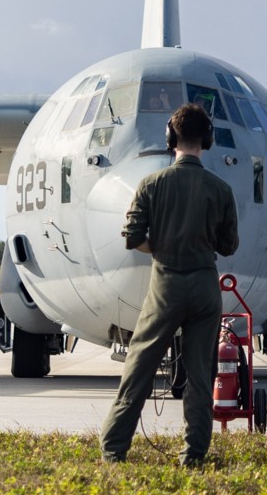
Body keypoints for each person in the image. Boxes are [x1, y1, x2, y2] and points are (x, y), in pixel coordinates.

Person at [100, 103, 240, 466]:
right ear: (207, 140)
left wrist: (161, 247)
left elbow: (132, 237)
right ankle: (193, 455)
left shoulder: (151, 184)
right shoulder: (221, 189)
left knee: (139, 369)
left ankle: (114, 450)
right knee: (199, 376)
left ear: (169, 138)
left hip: (166, 285)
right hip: (205, 287)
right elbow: (228, 245)